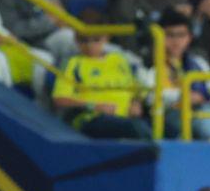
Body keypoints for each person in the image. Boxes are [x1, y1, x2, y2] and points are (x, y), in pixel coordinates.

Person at [140, 9, 210, 142]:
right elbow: (150, 97)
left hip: (202, 110)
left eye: (181, 35)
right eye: (170, 35)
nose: (176, 40)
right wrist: (182, 96)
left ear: (189, 37)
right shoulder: (149, 64)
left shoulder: (197, 63)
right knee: (206, 118)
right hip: (168, 116)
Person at [51, 11, 152, 140]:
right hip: (92, 119)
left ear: (106, 37)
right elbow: (60, 99)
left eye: (96, 39)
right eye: (83, 40)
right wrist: (95, 105)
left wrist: (136, 103)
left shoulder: (119, 60)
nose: (90, 45)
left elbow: (136, 89)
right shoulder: (72, 63)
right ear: (76, 39)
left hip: (126, 117)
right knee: (135, 128)